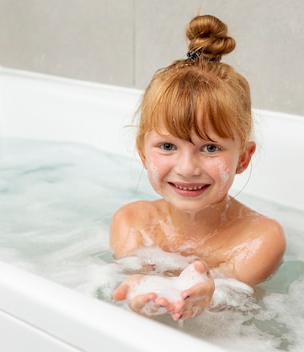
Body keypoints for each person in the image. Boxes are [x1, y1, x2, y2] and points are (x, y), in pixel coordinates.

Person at [110, 14, 286, 321]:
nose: (187, 168)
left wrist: (215, 297)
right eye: (167, 146)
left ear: (243, 158)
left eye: (210, 148)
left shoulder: (260, 240)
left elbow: (241, 315)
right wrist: (139, 297)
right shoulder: (131, 224)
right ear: (142, 153)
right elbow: (132, 288)